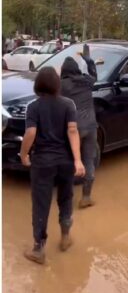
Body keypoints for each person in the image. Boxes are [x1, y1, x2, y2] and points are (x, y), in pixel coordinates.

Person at [20, 67, 86, 264]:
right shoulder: (68, 104)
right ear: (57, 84)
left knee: (41, 204)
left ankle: (39, 249)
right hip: (66, 162)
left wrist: (24, 154)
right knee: (66, 198)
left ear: (38, 84)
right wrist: (77, 160)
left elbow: (30, 133)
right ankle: (65, 236)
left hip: (42, 163)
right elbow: (72, 131)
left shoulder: (33, 107)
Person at [61, 46, 98, 208]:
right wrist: (88, 60)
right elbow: (94, 75)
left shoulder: (62, 85)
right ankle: (86, 197)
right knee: (89, 161)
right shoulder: (87, 81)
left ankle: (67, 199)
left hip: (73, 130)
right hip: (90, 126)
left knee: (70, 162)